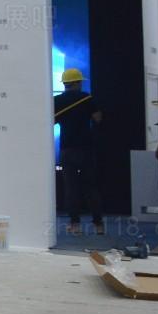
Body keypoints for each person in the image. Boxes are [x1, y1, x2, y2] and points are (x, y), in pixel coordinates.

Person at [54, 68, 103, 235]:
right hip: (86, 148)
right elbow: (98, 118)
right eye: (80, 81)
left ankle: (75, 225)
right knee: (91, 186)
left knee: (71, 188)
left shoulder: (57, 101)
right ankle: (98, 225)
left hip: (67, 149)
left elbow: (52, 121)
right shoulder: (86, 98)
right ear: (76, 83)